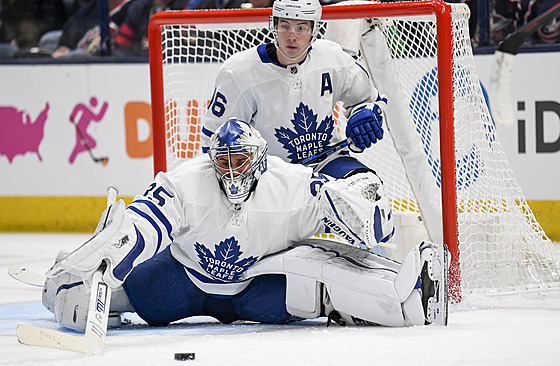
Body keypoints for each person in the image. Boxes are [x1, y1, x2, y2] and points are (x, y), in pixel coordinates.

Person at [41, 118, 448, 331]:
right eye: (224, 161)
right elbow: (143, 226)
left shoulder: (291, 183)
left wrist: (365, 210)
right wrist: (90, 274)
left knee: (313, 266)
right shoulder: (188, 180)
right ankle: (64, 288)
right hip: (183, 280)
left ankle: (405, 302)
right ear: (212, 160)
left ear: (259, 159)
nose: (232, 170)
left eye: (241, 160)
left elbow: (363, 226)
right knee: (124, 292)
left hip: (257, 285)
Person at [200, 0, 394, 248]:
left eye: (301, 28)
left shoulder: (332, 57)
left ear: (314, 29)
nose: (292, 37)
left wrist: (363, 116)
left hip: (328, 161)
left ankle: (374, 270)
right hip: (271, 176)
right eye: (285, 26)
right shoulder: (239, 73)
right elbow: (213, 142)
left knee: (371, 199)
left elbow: (371, 100)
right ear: (274, 26)